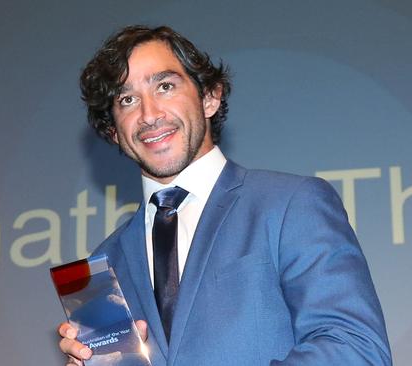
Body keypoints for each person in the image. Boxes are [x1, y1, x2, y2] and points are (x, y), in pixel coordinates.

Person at [58, 25, 392, 366]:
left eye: (165, 86)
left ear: (209, 98)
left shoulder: (291, 204)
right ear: (113, 130)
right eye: (127, 99)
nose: (149, 114)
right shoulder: (103, 265)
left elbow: (354, 349)